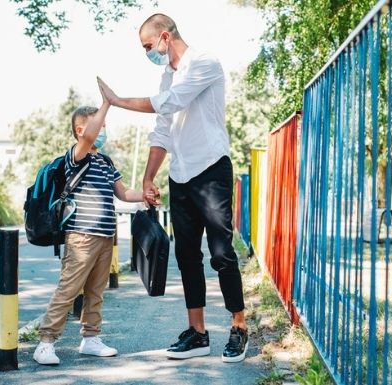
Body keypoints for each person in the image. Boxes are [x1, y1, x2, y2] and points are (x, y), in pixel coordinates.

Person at [97, 12, 249, 363]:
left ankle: (239, 326)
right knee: (186, 256)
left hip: (211, 169)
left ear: (165, 37)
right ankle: (198, 334)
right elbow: (163, 129)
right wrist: (149, 177)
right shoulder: (167, 77)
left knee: (221, 252)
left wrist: (118, 101)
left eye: (148, 46)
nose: (148, 53)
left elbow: (172, 103)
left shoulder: (204, 63)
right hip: (180, 174)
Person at [33, 93, 143, 365]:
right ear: (81, 130)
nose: (103, 129)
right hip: (81, 237)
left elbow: (123, 193)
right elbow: (87, 140)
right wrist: (107, 104)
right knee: (69, 289)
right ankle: (45, 343)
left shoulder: (105, 162)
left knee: (96, 291)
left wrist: (145, 195)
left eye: (104, 125)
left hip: (106, 236)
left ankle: (91, 338)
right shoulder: (77, 156)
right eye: (98, 124)